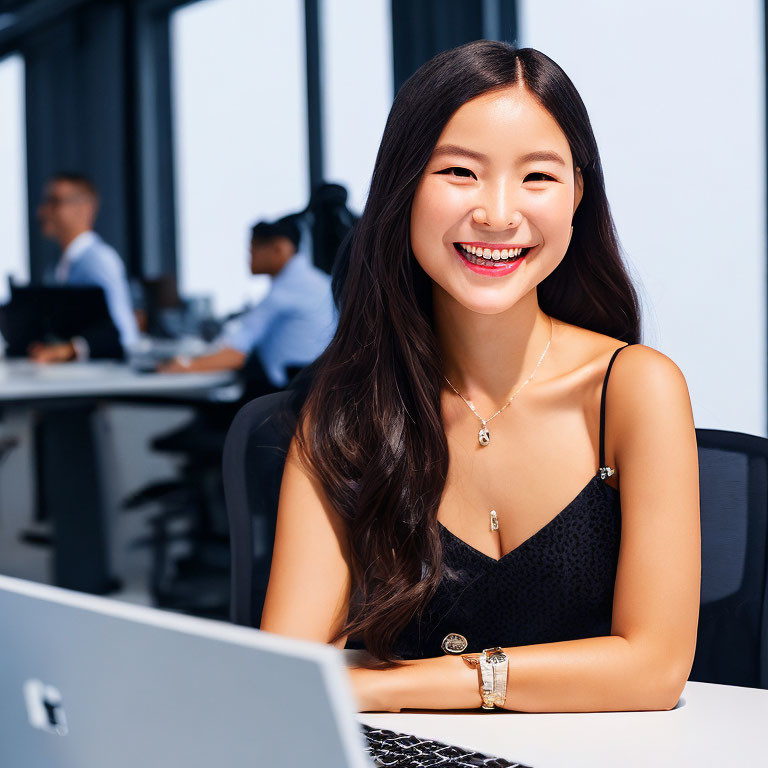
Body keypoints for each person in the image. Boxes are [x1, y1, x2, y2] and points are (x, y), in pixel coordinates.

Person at [258, 41, 701, 714]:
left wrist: (392, 686)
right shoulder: (348, 414)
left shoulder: (635, 390)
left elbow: (655, 667)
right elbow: (285, 675)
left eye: (538, 178)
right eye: (460, 172)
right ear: (404, 188)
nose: (498, 214)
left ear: (578, 196)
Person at [158, 215, 337, 388]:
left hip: (300, 394)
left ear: (279, 248)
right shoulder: (317, 281)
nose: (249, 257)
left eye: (253, 249)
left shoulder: (288, 289)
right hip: (319, 387)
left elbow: (235, 354)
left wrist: (186, 366)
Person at [33, 172, 139, 361]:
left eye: (55, 202)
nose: (43, 211)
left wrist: (72, 349)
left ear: (85, 208)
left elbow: (123, 333)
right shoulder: (59, 266)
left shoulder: (98, 261)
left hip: (104, 380)